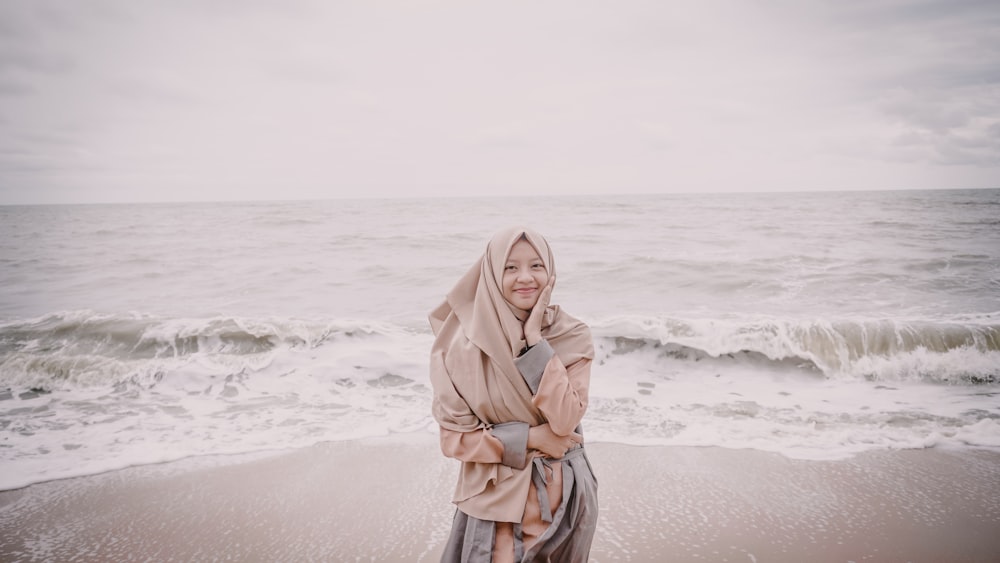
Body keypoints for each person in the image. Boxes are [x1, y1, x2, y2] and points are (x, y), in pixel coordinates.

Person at [429, 226, 598, 562]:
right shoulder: (460, 347)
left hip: (563, 499)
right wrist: (531, 438)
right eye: (510, 267)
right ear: (491, 273)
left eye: (537, 266)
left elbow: (566, 419)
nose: (526, 277)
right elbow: (454, 439)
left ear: (550, 271)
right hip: (495, 500)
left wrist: (535, 341)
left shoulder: (572, 334)